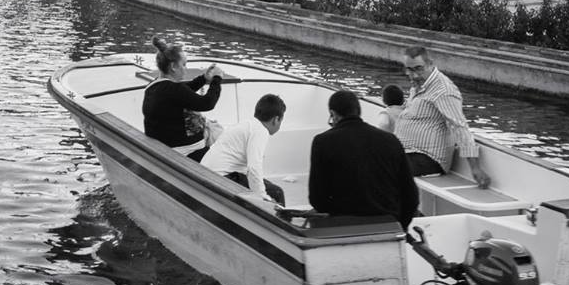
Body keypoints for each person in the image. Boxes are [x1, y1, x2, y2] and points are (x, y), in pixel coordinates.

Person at [306, 90, 419, 229]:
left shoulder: (322, 142)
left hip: (341, 227)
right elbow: (411, 196)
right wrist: (400, 226)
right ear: (359, 111)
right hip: (387, 226)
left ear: (333, 114)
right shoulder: (390, 140)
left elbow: (317, 200)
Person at [395, 46, 489, 185]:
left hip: (429, 158)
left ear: (430, 64)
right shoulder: (419, 84)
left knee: (379, 166)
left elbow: (459, 127)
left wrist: (475, 168)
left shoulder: (443, 91)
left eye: (418, 68)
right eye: (409, 69)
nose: (413, 74)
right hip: (409, 152)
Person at [142, 35, 229, 160]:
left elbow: (184, 92)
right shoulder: (174, 89)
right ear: (173, 66)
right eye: (184, 64)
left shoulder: (154, 86)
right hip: (185, 153)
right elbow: (207, 103)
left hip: (163, 147)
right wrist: (217, 79)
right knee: (230, 147)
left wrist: (203, 78)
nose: (186, 69)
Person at [199, 93, 287, 204]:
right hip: (221, 178)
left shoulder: (247, 124)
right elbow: (254, 168)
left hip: (206, 173)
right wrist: (262, 198)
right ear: (276, 119)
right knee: (277, 192)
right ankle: (275, 221)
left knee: (265, 186)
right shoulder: (260, 131)